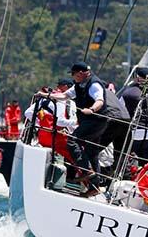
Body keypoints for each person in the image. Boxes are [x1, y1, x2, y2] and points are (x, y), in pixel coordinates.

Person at [44, 62, 127, 197]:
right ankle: (95, 186)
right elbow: (64, 96)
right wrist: (46, 95)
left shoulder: (94, 84)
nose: (72, 77)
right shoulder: (78, 85)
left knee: (72, 141)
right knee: (92, 151)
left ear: (81, 73)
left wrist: (92, 109)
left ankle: (87, 171)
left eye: (74, 74)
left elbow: (99, 100)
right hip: (91, 121)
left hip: (96, 121)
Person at [24, 79, 77, 163]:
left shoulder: (45, 97)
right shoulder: (62, 100)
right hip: (56, 137)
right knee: (74, 154)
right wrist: (76, 123)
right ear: (67, 88)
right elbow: (59, 122)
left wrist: (40, 125)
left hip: (42, 136)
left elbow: (28, 113)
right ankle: (86, 172)